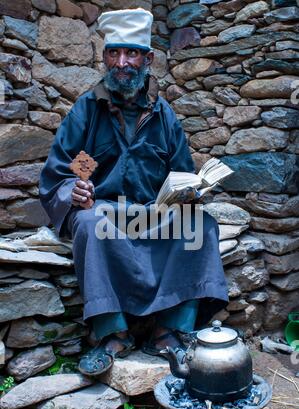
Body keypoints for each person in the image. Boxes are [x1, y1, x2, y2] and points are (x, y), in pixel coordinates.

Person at [39, 8, 229, 377]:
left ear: (148, 59)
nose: (121, 62)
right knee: (91, 223)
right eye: (114, 53)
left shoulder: (164, 115)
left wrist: (189, 193)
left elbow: (182, 173)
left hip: (153, 215)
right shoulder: (88, 111)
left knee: (200, 226)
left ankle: (170, 331)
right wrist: (73, 189)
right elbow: (66, 171)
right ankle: (113, 334)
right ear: (105, 57)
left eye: (131, 53)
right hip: (108, 213)